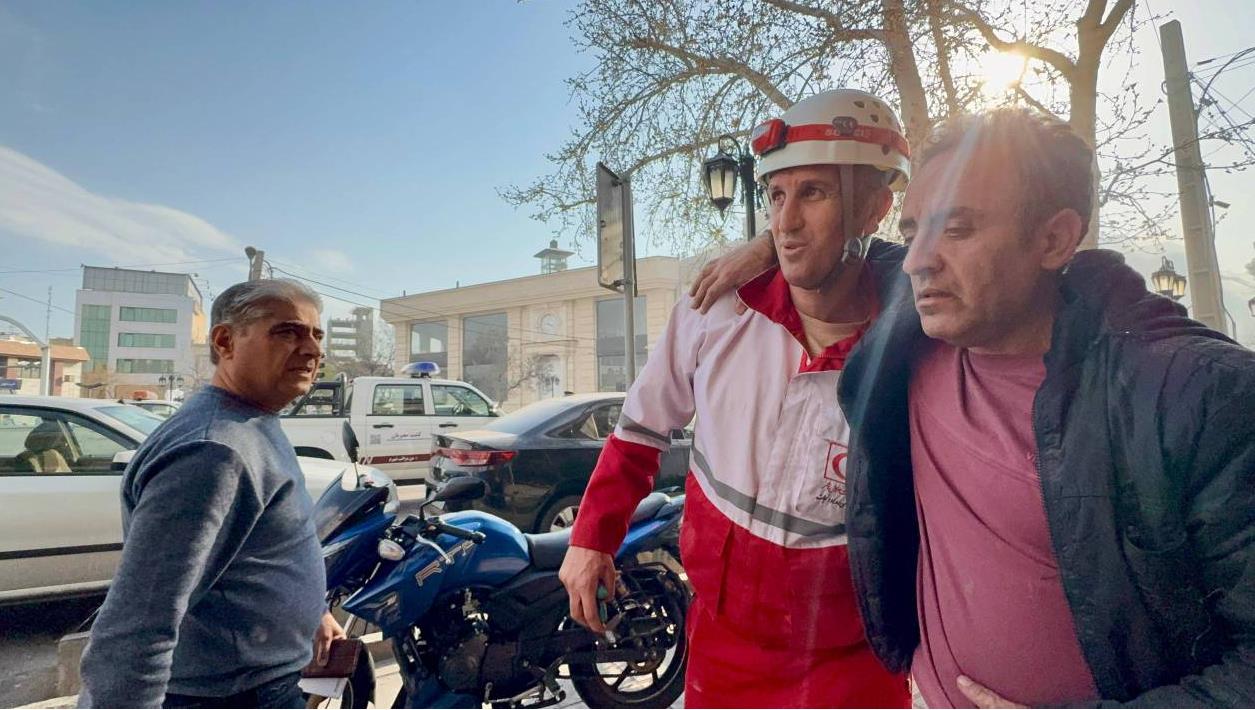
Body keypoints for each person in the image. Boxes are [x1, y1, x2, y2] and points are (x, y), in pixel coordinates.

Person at [690, 107, 1255, 707]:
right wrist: (769, 244)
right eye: (913, 232)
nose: (918, 259)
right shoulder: (916, 326)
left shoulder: (1195, 397)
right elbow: (840, 248)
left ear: (1055, 239)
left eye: (956, 230)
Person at [559, 88, 913, 708]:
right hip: (722, 652)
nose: (785, 222)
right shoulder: (714, 309)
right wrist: (592, 537)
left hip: (858, 667)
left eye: (814, 193)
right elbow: (639, 431)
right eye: (776, 195)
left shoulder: (916, 343)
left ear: (875, 208)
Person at [79, 279, 345, 709]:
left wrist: (314, 613)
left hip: (260, 683)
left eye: (317, 335)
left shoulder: (251, 421)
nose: (313, 349)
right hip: (232, 697)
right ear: (225, 341)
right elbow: (138, 623)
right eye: (288, 332)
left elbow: (256, 550)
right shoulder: (213, 450)